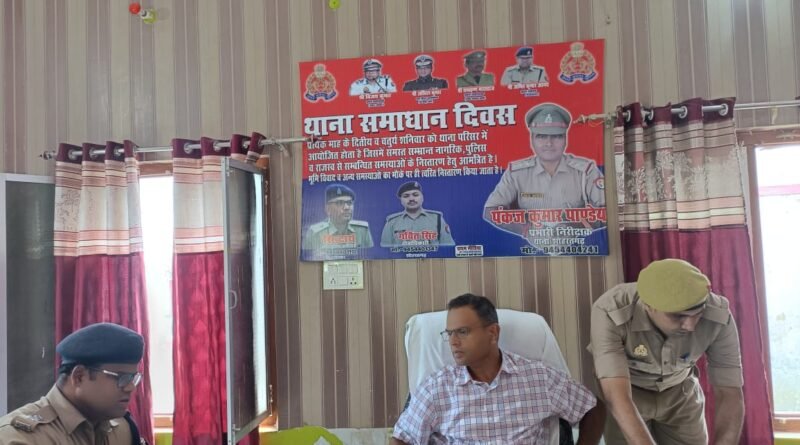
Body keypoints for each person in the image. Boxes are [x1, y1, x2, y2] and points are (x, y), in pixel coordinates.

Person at [391, 294, 605, 445]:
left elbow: (592, 408)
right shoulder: (436, 388)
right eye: (449, 334)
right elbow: (402, 439)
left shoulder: (539, 378)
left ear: (493, 333)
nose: (453, 342)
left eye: (462, 332)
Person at [589, 259, 745, 445]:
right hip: (629, 393)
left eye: (697, 314)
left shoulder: (719, 316)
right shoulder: (610, 311)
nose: (690, 326)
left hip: (681, 393)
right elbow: (617, 397)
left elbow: (729, 393)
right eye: (678, 316)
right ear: (649, 306)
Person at [0, 323, 148, 445]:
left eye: (133, 378)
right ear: (79, 377)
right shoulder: (20, 438)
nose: (131, 387)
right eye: (121, 378)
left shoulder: (123, 429)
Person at [483, 103, 605, 235]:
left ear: (565, 139)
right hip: (527, 245)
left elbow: (608, 210)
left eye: (556, 136)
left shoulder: (586, 171)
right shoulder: (516, 173)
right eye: (541, 136)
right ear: (531, 139)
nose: (549, 143)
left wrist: (571, 229)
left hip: (578, 243)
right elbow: (490, 211)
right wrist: (527, 230)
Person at [380, 181, 454, 247]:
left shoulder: (437, 219)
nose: (411, 199)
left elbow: (448, 247)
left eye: (415, 195)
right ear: (401, 200)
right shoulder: (392, 222)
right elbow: (385, 250)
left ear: (422, 197)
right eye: (406, 196)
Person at [303, 184, 374, 250]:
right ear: (328, 209)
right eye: (339, 203)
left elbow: (369, 255)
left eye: (349, 203)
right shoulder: (315, 233)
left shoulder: (362, 230)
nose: (346, 207)